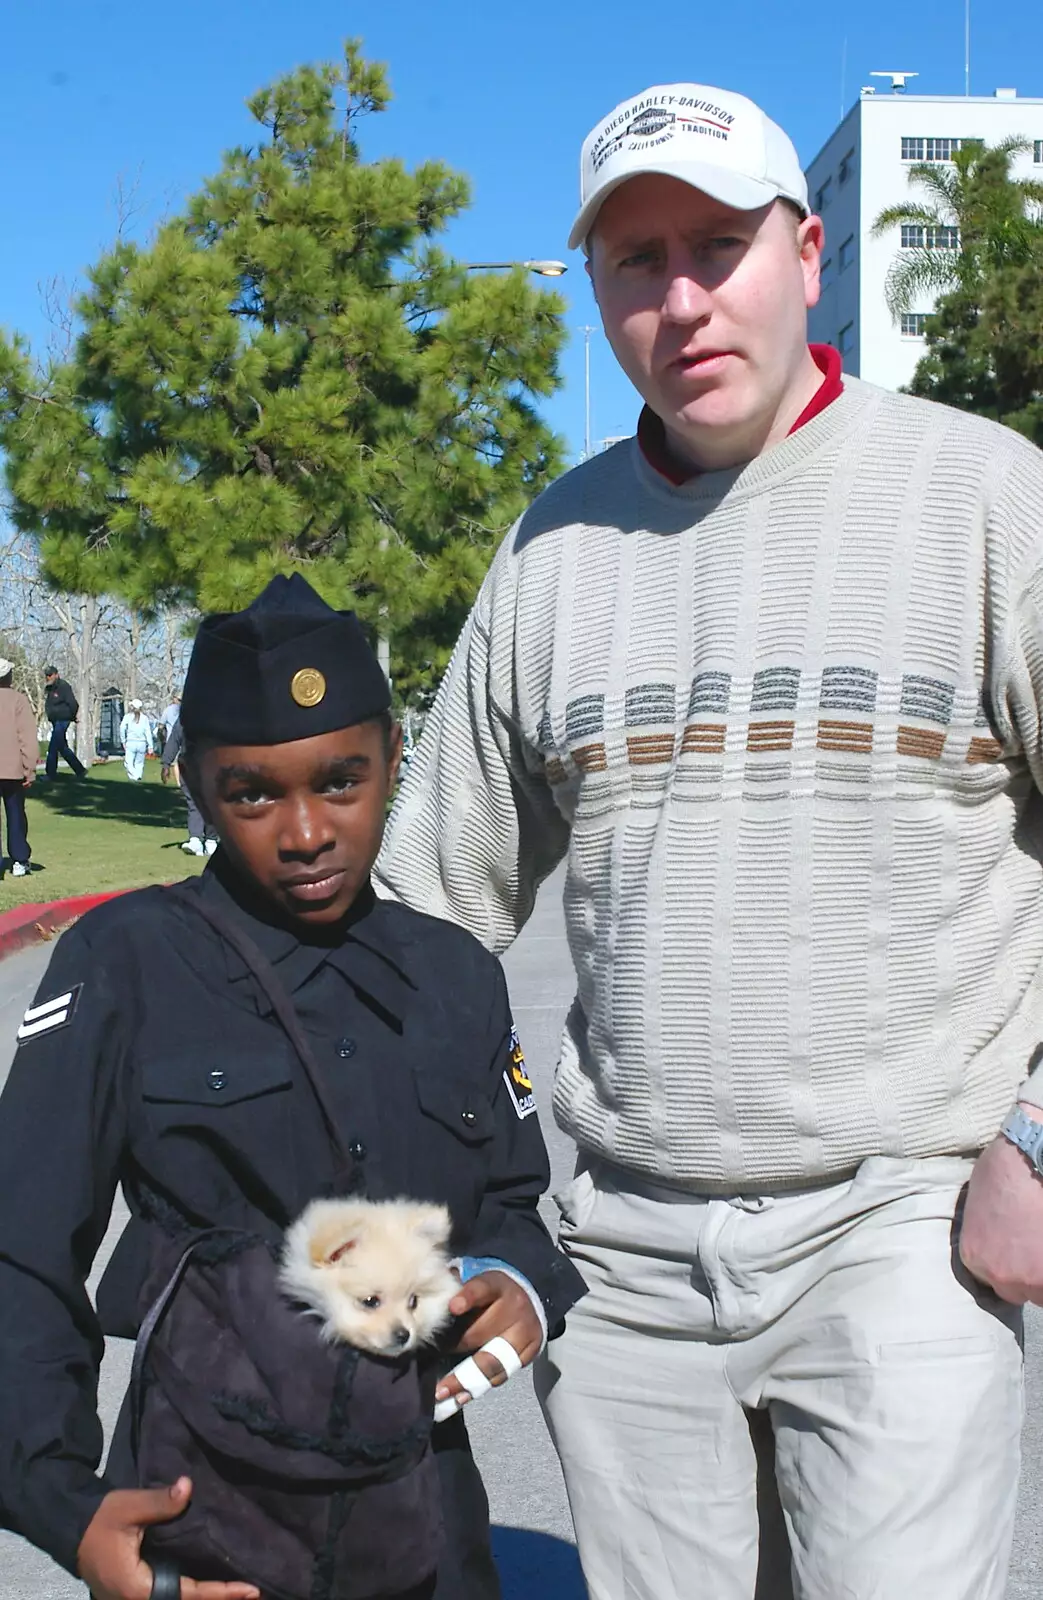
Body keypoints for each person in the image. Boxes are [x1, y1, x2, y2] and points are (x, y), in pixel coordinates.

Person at [375, 80, 1043, 1600]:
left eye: (718, 245)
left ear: (805, 253)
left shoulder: (985, 501)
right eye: (635, 262)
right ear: (596, 293)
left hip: (902, 1226)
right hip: (621, 1264)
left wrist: (1033, 1142)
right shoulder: (554, 551)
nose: (679, 299)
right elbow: (430, 906)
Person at [0, 573, 584, 1600]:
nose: (306, 829)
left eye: (341, 780)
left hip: (421, 1512)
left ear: (394, 757)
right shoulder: (126, 961)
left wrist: (517, 1286)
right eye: (253, 793)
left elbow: (509, 1203)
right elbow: (21, 1247)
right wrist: (61, 1497)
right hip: (205, 1514)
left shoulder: (452, 975)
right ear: (196, 783)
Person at [160, 714, 218, 857]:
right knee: (194, 802)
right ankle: (196, 839)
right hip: (189, 765)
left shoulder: (218, 715)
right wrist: (166, 763)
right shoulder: (186, 717)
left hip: (211, 765)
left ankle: (211, 840)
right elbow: (175, 738)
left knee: (210, 803)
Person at [0, 657, 37, 879]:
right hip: (13, 769)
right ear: (8, 677)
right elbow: (27, 739)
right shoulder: (19, 700)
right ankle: (19, 860)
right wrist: (29, 768)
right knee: (15, 815)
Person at [43, 665, 86, 779]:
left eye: (50, 675)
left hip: (63, 720)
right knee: (62, 747)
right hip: (55, 721)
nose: (48, 677)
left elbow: (73, 703)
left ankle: (50, 774)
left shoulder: (63, 686)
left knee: (53, 746)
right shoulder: (50, 688)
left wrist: (72, 716)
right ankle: (80, 770)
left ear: (56, 674)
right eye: (47, 675)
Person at [119, 698, 153, 781]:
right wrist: (150, 746)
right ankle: (137, 777)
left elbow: (122, 728)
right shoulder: (144, 718)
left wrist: (123, 740)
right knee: (139, 763)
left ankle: (134, 777)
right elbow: (148, 732)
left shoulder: (127, 717)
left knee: (128, 763)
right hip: (142, 743)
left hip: (131, 742)